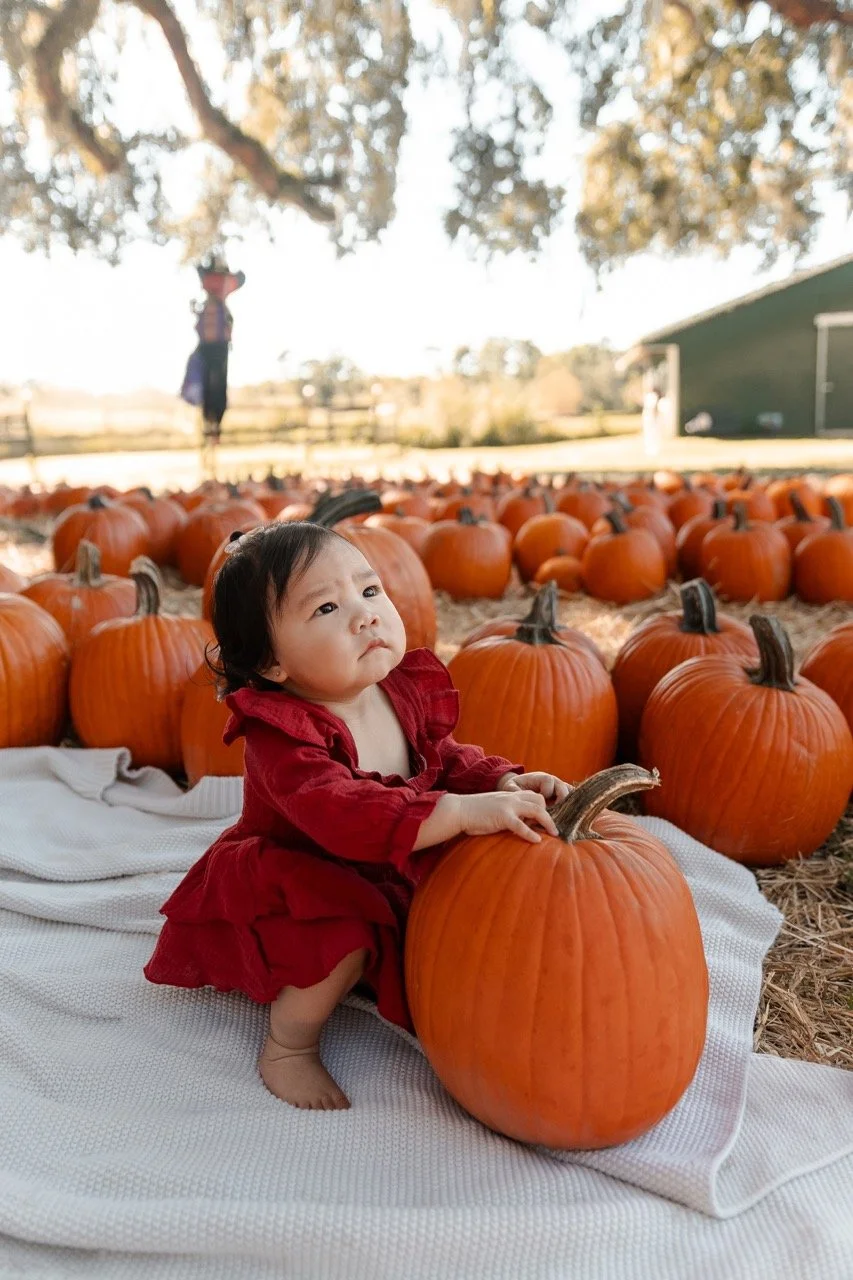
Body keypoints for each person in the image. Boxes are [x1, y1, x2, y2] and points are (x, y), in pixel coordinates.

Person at [144, 521, 570, 1111]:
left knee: (466, 903)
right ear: (271, 664)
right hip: (303, 878)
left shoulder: (394, 690)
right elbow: (343, 813)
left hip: (387, 857)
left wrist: (499, 780)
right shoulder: (284, 738)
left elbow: (441, 759)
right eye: (325, 607)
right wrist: (457, 813)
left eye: (369, 592)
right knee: (345, 932)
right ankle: (289, 1046)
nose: (364, 615)